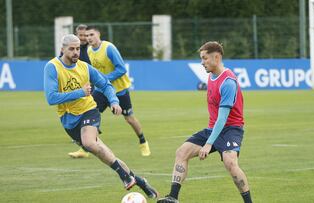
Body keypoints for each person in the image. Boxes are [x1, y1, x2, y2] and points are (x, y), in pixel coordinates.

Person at [44, 34, 158, 198]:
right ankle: (140, 181)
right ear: (62, 49)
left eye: (77, 48)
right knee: (104, 153)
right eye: (72, 49)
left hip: (89, 110)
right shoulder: (52, 67)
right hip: (68, 120)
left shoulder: (84, 67)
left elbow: (105, 84)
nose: (76, 52)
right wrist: (80, 92)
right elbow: (51, 98)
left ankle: (124, 176)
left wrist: (114, 101)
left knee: (89, 143)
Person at [157, 41, 252, 203]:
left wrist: (208, 144)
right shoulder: (211, 75)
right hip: (213, 128)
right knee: (181, 152)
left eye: (205, 58)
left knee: (230, 163)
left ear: (216, 57)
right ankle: (173, 197)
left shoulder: (228, 82)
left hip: (231, 129)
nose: (202, 62)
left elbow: (223, 118)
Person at [85, 26, 151, 156]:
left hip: (119, 90)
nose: (89, 38)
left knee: (129, 119)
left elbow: (121, 69)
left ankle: (143, 142)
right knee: (90, 114)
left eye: (91, 34)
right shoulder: (89, 51)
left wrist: (104, 79)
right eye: (87, 36)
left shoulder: (109, 48)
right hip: (101, 90)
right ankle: (86, 148)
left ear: (98, 34)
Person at [68, 24, 92, 158]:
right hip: (76, 88)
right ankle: (86, 143)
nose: (83, 38)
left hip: (90, 87)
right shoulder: (72, 50)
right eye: (81, 35)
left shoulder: (90, 50)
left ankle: (86, 145)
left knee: (89, 113)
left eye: (85, 35)